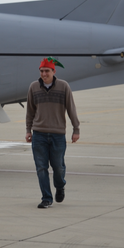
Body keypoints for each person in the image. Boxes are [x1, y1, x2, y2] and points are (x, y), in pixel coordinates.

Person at [25, 57, 80, 209]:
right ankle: (46, 198)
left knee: (58, 167)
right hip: (39, 134)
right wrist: (28, 130)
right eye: (41, 71)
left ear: (54, 71)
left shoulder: (63, 86)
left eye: (47, 71)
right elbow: (30, 111)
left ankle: (60, 186)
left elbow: (71, 109)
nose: (44, 74)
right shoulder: (34, 87)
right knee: (41, 168)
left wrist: (76, 129)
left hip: (57, 134)